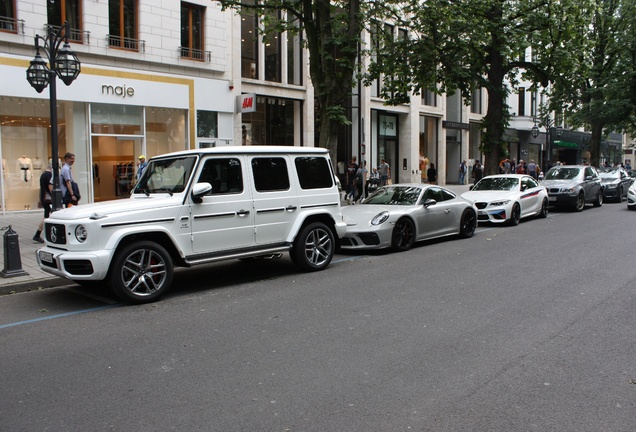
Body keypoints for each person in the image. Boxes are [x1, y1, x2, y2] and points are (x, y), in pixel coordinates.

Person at [33, 163, 53, 243]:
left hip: (44, 197)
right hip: (47, 198)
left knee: (47, 214)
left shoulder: (43, 174)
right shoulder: (48, 175)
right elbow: (50, 187)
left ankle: (38, 234)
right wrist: (54, 195)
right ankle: (38, 234)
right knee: (47, 215)